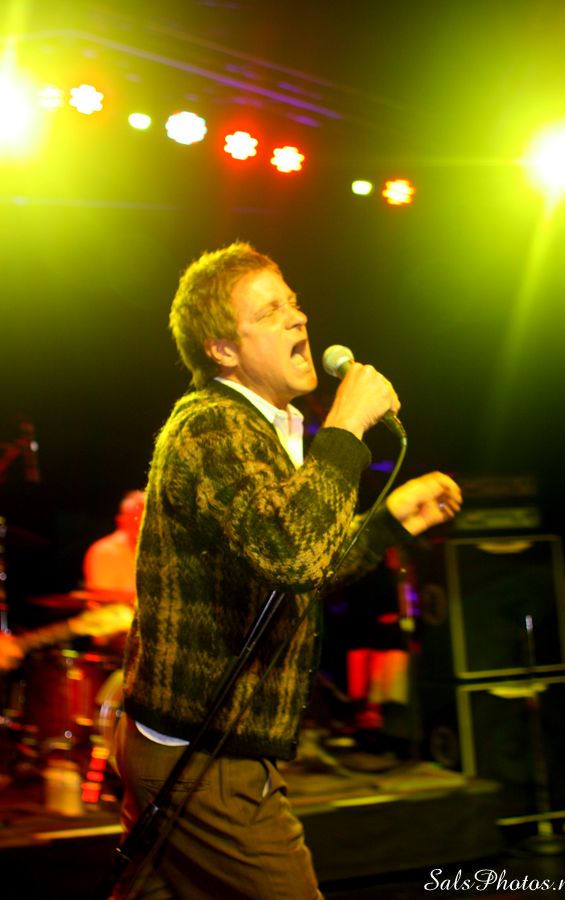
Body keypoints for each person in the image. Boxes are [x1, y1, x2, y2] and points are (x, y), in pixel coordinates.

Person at [111, 242, 462, 899]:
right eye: (270, 311)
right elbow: (292, 553)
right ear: (222, 349)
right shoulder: (212, 428)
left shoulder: (261, 430)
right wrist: (348, 424)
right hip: (204, 759)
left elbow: (298, 574)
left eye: (293, 302)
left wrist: (390, 523)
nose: (298, 317)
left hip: (188, 745)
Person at [0, 491, 144, 672]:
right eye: (138, 515)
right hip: (113, 634)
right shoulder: (105, 551)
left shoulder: (152, 554)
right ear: (122, 519)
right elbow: (103, 601)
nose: (142, 522)